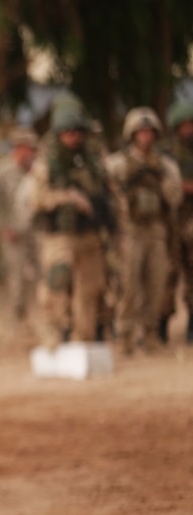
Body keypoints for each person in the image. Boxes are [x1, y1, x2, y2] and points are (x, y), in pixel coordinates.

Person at [21, 95, 114, 349]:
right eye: (68, 132)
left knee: (90, 288)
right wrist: (67, 197)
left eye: (77, 132)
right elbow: (36, 198)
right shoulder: (47, 162)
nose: (73, 137)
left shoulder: (95, 160)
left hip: (90, 234)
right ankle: (51, 331)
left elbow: (110, 193)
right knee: (57, 279)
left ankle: (82, 338)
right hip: (60, 234)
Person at [104, 107, 182, 354]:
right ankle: (125, 336)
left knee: (156, 285)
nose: (146, 137)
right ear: (132, 134)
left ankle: (149, 334)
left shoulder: (165, 165)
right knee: (129, 286)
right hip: (130, 232)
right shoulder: (117, 164)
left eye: (150, 132)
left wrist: (160, 181)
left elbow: (175, 196)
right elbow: (107, 197)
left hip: (156, 231)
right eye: (141, 132)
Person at [0, 127, 40, 329]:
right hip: (13, 232)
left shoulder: (38, 171)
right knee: (17, 275)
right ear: (17, 149)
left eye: (32, 149)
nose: (29, 153)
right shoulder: (2, 171)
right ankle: (19, 317)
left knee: (43, 273)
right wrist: (3, 227)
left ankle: (45, 316)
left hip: (37, 230)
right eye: (26, 149)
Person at [160, 99, 193, 344]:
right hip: (169, 222)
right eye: (183, 125)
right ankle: (160, 325)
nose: (188, 130)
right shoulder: (166, 153)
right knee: (166, 274)